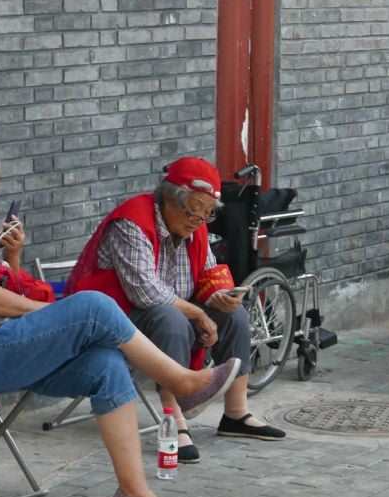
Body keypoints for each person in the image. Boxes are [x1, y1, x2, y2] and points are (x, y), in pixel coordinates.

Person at [0, 136, 241, 497]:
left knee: (105, 364)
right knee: (92, 306)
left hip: (0, 347)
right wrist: (45, 312)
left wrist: (13, 261)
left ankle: (133, 492)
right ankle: (183, 382)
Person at [67, 156, 287, 465]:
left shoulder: (193, 225)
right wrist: (198, 314)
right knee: (170, 318)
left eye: (207, 214)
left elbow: (208, 272)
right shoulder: (132, 222)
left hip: (165, 311)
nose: (200, 220)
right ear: (169, 200)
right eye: (193, 211)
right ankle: (175, 423)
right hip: (117, 317)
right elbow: (145, 293)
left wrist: (220, 296)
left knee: (234, 315)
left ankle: (236, 414)